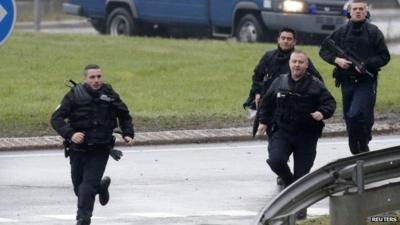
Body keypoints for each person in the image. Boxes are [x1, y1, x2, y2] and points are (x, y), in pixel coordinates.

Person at [50, 64, 135, 225]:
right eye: (92, 77)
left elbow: (124, 114)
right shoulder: (74, 95)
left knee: (87, 187)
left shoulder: (109, 94)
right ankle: (101, 187)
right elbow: (56, 118)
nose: (96, 80)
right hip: (78, 149)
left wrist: (128, 133)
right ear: (85, 78)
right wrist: (71, 134)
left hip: (100, 148)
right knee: (78, 188)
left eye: (99, 77)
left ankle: (83, 219)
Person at [319, 0, 390, 155]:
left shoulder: (374, 32)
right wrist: (337, 60)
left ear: (366, 12)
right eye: (355, 9)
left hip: (366, 81)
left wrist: (367, 64)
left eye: (361, 9)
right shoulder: (341, 32)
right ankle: (356, 145)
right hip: (347, 81)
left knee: (359, 114)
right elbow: (324, 50)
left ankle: (363, 141)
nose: (358, 11)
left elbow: (384, 56)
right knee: (349, 117)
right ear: (349, 12)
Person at [257, 50, 336, 190]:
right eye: (294, 62)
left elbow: (330, 103)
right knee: (276, 160)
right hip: (282, 131)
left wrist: (321, 113)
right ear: (289, 64)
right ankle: (289, 182)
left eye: (300, 62)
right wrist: (263, 122)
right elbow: (267, 103)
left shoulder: (315, 84)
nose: (297, 65)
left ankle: (299, 206)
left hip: (306, 135)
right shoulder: (279, 81)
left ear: (306, 65)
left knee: (302, 178)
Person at [243, 27, 322, 111]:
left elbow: (317, 79)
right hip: (269, 100)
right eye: (283, 38)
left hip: (293, 103)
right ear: (278, 40)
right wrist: (257, 93)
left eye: (289, 39)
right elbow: (257, 76)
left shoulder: (300, 59)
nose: (285, 41)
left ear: (294, 42)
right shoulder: (268, 56)